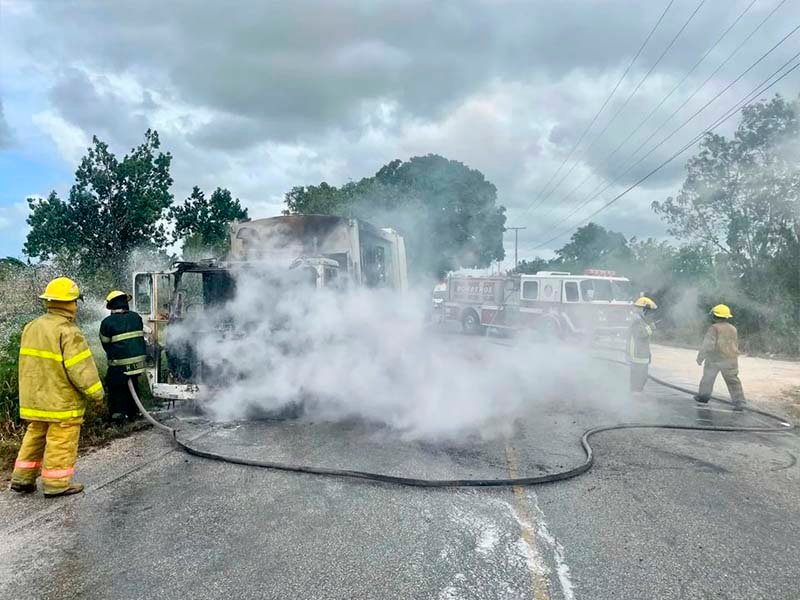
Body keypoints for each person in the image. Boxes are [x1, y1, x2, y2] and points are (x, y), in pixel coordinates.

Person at [10, 277, 105, 497]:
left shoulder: (31, 327)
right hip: (61, 400)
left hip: (35, 399)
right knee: (61, 441)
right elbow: (81, 369)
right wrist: (96, 393)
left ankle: (22, 479)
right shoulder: (68, 331)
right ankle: (56, 484)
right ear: (70, 303)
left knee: (35, 435)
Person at [100, 290, 148, 422]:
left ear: (111, 305)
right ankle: (134, 412)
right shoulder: (136, 317)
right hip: (139, 364)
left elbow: (105, 344)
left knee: (115, 384)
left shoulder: (107, 322)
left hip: (120, 365)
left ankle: (119, 415)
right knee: (133, 383)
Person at [694, 304, 746, 411]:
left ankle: (703, 397)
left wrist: (700, 357)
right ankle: (739, 401)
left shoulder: (714, 328)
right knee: (733, 381)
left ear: (714, 316)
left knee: (708, 378)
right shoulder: (733, 328)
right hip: (731, 359)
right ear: (727, 316)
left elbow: (708, 345)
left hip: (715, 359)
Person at [626, 296, 657, 392]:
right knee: (638, 380)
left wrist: (648, 355)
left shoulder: (640, 320)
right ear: (642, 309)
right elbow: (641, 334)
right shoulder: (636, 321)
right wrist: (651, 328)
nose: (648, 314)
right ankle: (635, 400)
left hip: (641, 356)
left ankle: (636, 397)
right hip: (637, 356)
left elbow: (644, 341)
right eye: (647, 311)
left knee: (641, 379)